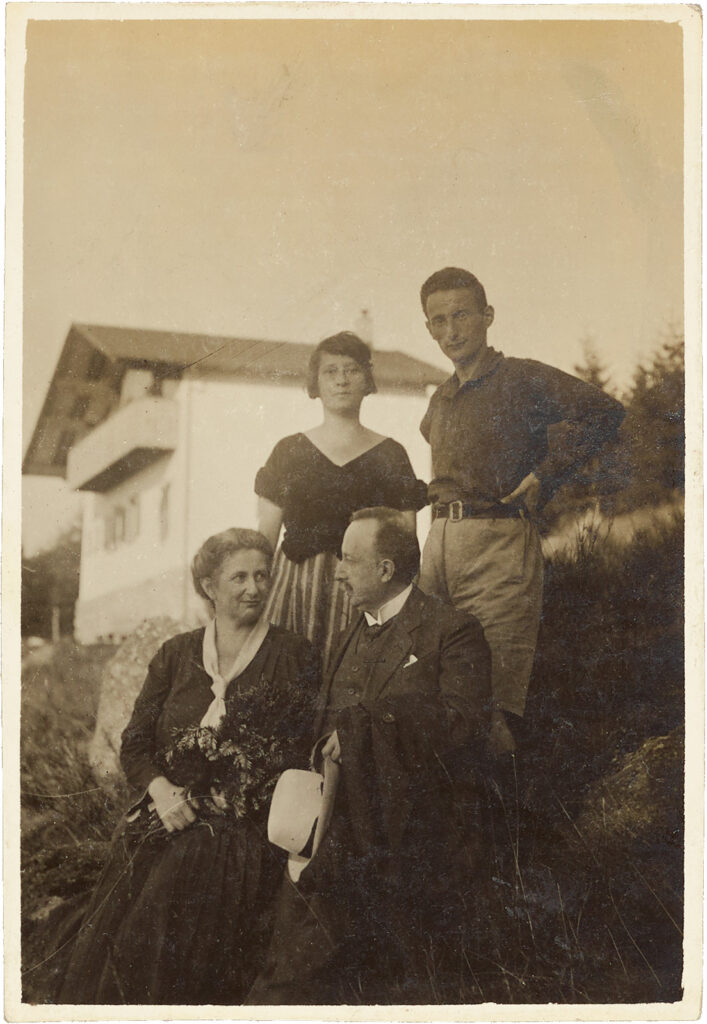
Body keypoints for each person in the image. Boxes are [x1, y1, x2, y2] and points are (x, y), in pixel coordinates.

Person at [55, 528, 320, 1005]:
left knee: (182, 870)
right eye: (238, 577)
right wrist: (161, 790)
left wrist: (235, 792)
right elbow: (134, 742)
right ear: (208, 587)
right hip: (168, 811)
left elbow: (297, 752)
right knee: (136, 869)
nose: (253, 588)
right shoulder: (176, 655)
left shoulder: (293, 654)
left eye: (262, 576)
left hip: (241, 828)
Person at [247, 507, 492, 1004]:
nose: (336, 570)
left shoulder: (452, 630)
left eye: (349, 559)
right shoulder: (345, 636)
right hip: (336, 815)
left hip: (412, 820)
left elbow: (463, 721)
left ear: (385, 569)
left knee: (306, 946)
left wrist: (364, 729)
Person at [417, 267, 625, 755]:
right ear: (428, 328)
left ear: (488, 316)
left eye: (462, 315)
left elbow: (605, 412)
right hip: (439, 550)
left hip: (499, 550)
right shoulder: (439, 401)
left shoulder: (522, 378)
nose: (451, 330)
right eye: (438, 320)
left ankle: (504, 830)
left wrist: (546, 474)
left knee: (491, 705)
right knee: (433, 694)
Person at [255, 332, 427, 668]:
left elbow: (405, 542)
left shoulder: (391, 455)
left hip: (364, 594)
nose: (341, 381)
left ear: (367, 380)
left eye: (351, 370)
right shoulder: (289, 451)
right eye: (330, 371)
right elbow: (265, 537)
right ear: (315, 383)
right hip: (295, 592)